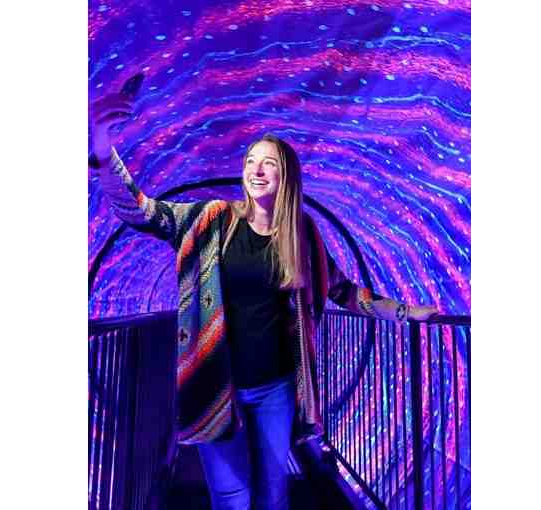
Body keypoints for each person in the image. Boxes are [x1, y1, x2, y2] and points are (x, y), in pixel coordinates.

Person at [91, 92, 439, 510]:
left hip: (276, 388)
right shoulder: (211, 219)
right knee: (231, 498)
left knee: (273, 494)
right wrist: (103, 151)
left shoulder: (301, 233)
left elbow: (343, 290)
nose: (256, 170)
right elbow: (141, 212)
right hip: (216, 386)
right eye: (251, 161)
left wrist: (404, 312)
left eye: (268, 163)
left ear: (286, 175)